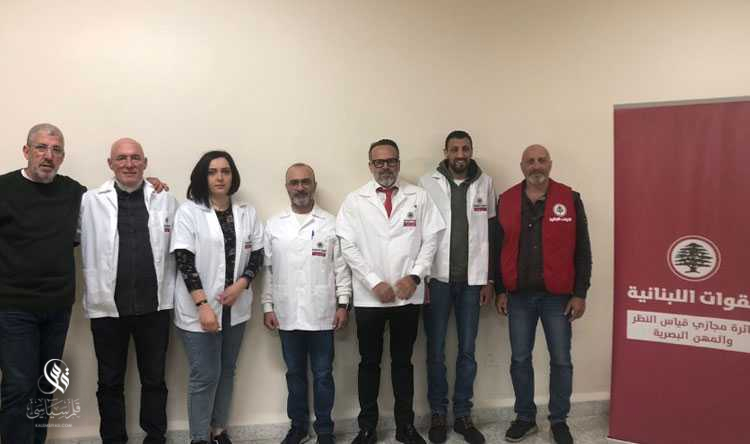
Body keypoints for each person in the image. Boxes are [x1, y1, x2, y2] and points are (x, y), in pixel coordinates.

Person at [336, 139, 445, 444]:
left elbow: (431, 241)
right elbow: (348, 246)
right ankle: (367, 428)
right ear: (370, 166)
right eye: (379, 162)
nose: (386, 167)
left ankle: (405, 427)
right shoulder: (355, 200)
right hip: (369, 299)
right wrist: (373, 281)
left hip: (406, 296)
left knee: (403, 363)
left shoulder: (419, 197)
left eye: (391, 161)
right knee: (368, 363)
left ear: (398, 163)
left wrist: (414, 276)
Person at [79, 137, 178, 444]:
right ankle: (113, 439)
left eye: (136, 158)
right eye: (121, 158)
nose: (129, 163)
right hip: (107, 309)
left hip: (155, 307)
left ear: (145, 163)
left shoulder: (165, 199)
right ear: (110, 164)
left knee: (154, 379)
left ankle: (155, 436)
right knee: (109, 381)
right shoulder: (90, 201)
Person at [494, 144, 592, 444]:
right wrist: (500, 290)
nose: (536, 166)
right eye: (530, 161)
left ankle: (559, 420)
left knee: (561, 360)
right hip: (519, 297)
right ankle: (525, 418)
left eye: (541, 160)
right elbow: (497, 249)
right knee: (520, 359)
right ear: (522, 166)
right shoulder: (506, 200)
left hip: (557, 297)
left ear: (550, 164)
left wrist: (580, 293)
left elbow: (583, 250)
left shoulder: (570, 199)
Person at [0, 123, 86, 444]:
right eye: (41, 148)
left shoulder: (74, 192)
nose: (48, 156)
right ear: (26, 151)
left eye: (56, 150)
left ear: (62, 156)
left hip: (57, 307)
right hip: (13, 307)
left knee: (46, 385)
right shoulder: (4, 188)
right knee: (19, 386)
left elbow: (110, 206)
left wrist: (150, 186)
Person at [170, 150, 264, 444]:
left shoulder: (247, 212)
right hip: (199, 309)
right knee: (205, 375)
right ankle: (199, 437)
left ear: (233, 176)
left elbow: (257, 254)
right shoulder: (189, 211)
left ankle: (219, 430)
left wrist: (242, 284)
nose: (220, 177)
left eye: (225, 171)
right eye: (212, 172)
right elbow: (184, 259)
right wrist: (202, 305)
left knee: (227, 371)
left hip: (235, 308)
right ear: (203, 176)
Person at [261, 163, 352, 444]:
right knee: (294, 374)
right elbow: (268, 270)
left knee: (323, 374)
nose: (300, 187)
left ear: (314, 185)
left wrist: (343, 304)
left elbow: (341, 268)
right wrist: (267, 306)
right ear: (286, 187)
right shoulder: (274, 225)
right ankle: (298, 427)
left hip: (322, 312)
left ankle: (324, 430)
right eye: (294, 182)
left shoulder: (331, 223)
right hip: (286, 313)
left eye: (305, 182)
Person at [418, 130, 496, 444]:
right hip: (436, 280)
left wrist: (489, 279)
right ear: (446, 151)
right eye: (454, 149)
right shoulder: (427, 183)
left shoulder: (485, 183)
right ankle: (438, 413)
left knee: (468, 350)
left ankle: (463, 415)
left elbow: (491, 232)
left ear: (471, 150)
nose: (460, 154)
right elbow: (419, 234)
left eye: (465, 149)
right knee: (435, 351)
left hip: (472, 282)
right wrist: (421, 277)